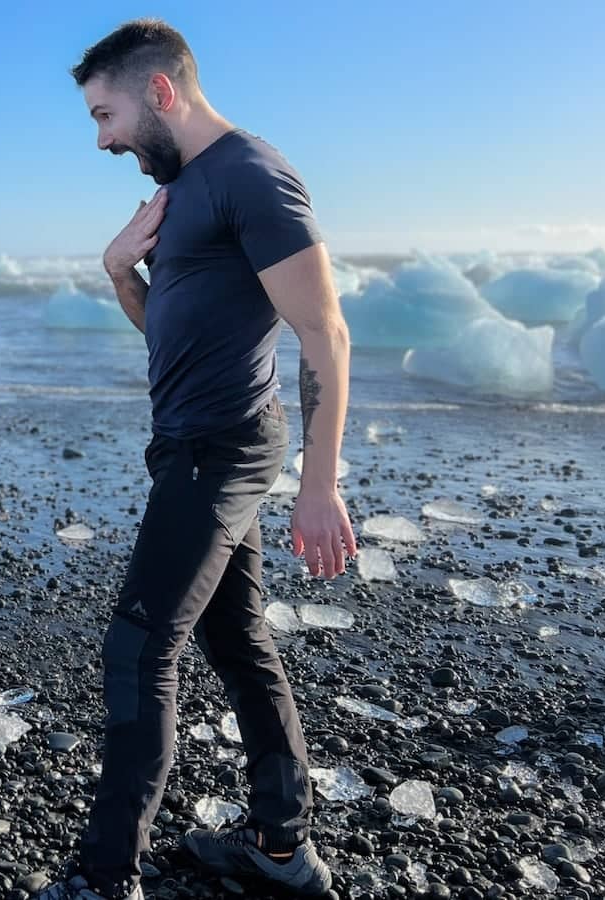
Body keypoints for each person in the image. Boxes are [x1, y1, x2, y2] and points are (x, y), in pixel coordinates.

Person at [39, 18, 358, 900]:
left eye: (105, 115)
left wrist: (320, 486)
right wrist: (118, 275)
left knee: (137, 649)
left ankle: (105, 877)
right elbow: (174, 337)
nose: (102, 139)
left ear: (161, 93)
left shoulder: (252, 175)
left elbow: (324, 332)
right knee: (236, 637)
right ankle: (282, 850)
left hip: (220, 451)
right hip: (188, 444)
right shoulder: (186, 191)